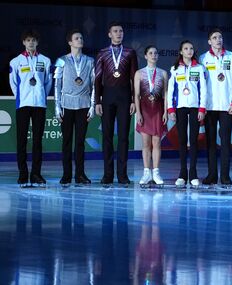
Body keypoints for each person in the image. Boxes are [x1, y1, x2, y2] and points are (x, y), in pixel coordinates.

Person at [94, 21, 138, 186]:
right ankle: (107, 174)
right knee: (107, 136)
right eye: (115, 31)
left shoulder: (130, 52)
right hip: (108, 95)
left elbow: (135, 77)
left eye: (120, 31)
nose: (118, 33)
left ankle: (122, 175)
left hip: (125, 96)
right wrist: (97, 101)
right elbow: (97, 78)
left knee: (124, 137)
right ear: (109, 34)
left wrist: (134, 99)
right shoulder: (102, 53)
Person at [9, 29, 52, 186]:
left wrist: (42, 95)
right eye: (28, 40)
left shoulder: (45, 60)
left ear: (37, 42)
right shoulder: (16, 61)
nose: (31, 43)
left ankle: (36, 174)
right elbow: (13, 83)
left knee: (37, 141)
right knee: (21, 141)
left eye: (33, 40)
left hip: (39, 104)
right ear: (23, 42)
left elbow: (48, 82)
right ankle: (23, 174)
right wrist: (21, 97)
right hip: (23, 105)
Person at [199, 28, 232, 188]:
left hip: (226, 107)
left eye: (220, 37)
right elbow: (201, 85)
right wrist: (202, 107)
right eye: (215, 37)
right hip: (209, 107)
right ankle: (212, 175)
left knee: (225, 142)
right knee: (210, 142)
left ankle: (225, 175)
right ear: (209, 41)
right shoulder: (203, 58)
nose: (218, 40)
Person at [54, 29, 95, 186]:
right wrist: (57, 107)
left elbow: (94, 86)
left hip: (84, 105)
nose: (80, 40)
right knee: (66, 141)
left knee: (80, 142)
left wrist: (92, 106)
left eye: (81, 37)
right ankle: (66, 174)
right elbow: (57, 85)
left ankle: (80, 174)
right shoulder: (61, 60)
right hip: (66, 105)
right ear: (70, 42)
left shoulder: (90, 61)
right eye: (77, 38)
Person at [167, 40, 207, 189]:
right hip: (180, 108)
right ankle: (183, 173)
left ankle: (194, 174)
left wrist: (202, 108)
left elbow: (203, 89)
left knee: (194, 141)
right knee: (182, 140)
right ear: (181, 52)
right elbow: (170, 90)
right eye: (186, 48)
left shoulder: (200, 68)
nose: (189, 51)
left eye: (191, 48)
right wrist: (171, 109)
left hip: (195, 107)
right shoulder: (174, 69)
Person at [134, 45, 168, 188]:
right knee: (146, 143)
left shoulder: (163, 73)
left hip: (158, 110)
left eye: (155, 53)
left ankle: (156, 172)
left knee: (157, 143)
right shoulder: (139, 73)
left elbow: (166, 94)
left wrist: (166, 111)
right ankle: (146, 172)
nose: (153, 55)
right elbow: (136, 95)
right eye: (150, 53)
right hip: (145, 110)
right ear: (146, 56)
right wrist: (138, 113)